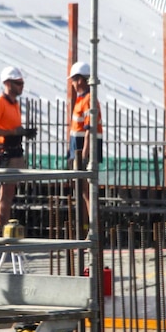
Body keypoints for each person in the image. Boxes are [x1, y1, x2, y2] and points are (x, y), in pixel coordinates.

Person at [0, 66, 36, 231]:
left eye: (21, 83)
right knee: (6, 194)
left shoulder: (14, 104)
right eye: (18, 83)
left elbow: (11, 127)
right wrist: (13, 132)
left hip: (14, 150)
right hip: (4, 152)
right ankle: (2, 229)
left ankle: (5, 227)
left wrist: (22, 132)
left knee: (10, 192)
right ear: (8, 83)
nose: (21, 86)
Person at [67, 61, 103, 218]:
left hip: (84, 150)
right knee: (82, 191)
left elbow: (90, 131)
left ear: (80, 80)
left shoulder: (88, 99)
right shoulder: (81, 99)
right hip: (79, 149)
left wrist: (84, 155)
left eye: (74, 80)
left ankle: (91, 227)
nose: (73, 84)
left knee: (87, 191)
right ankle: (86, 225)